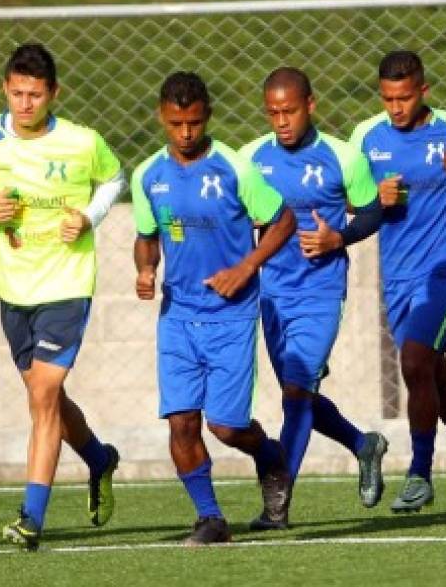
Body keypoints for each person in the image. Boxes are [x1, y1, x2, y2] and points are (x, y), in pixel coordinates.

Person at [0, 43, 123, 551]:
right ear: (6, 89)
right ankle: (98, 457)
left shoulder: (81, 142)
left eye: (35, 94)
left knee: (43, 397)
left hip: (67, 282)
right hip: (11, 285)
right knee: (44, 397)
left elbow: (115, 177)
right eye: (17, 93)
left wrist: (88, 217)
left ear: (54, 93)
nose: (25, 103)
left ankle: (31, 517)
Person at [132, 71, 297, 546]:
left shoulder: (234, 168)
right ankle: (210, 518)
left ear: (208, 116)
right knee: (181, 420)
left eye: (195, 123)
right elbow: (146, 239)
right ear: (163, 118)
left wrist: (246, 268)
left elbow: (282, 220)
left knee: (224, 426)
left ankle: (268, 455)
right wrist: (146, 270)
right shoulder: (150, 176)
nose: (186, 133)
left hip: (231, 315)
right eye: (177, 123)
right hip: (177, 317)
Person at [351, 50, 446, 513]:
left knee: (415, 361)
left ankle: (419, 473)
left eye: (404, 97)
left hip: (444, 265)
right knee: (431, 372)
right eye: (387, 99)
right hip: (395, 277)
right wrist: (375, 200)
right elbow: (359, 209)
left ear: (423, 92)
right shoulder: (367, 139)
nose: (395, 107)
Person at [240, 66, 388, 528]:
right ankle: (364, 444)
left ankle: (278, 504)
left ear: (311, 105)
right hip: (271, 291)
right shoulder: (250, 159)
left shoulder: (344, 158)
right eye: (273, 113)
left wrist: (337, 239)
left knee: (297, 390)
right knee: (296, 394)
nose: (281, 121)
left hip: (321, 290)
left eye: (289, 111)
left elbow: (372, 212)